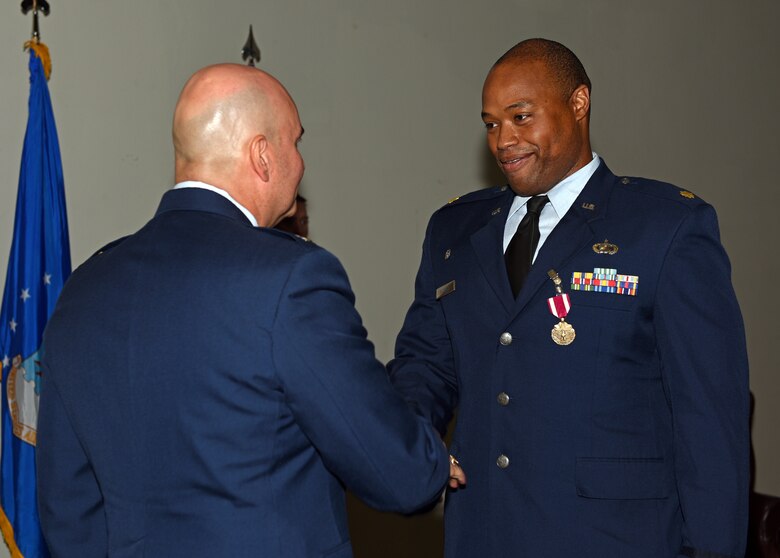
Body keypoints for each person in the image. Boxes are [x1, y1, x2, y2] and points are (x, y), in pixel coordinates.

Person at [36, 63, 449, 558]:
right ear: (262, 154)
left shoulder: (84, 288)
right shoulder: (289, 278)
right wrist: (427, 450)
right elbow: (398, 476)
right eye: (295, 143)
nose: (300, 164)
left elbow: (66, 513)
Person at [389, 38, 749, 558]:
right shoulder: (454, 229)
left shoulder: (664, 226)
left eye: (520, 117)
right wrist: (414, 444)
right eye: (492, 124)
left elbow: (710, 426)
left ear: (578, 104)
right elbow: (426, 364)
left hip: (614, 539)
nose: (503, 141)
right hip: (483, 534)